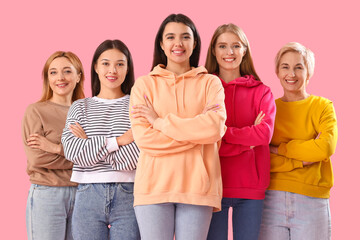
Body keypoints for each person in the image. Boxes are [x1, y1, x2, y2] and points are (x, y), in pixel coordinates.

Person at [130, 13, 227, 240]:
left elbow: (214, 128)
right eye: (171, 37)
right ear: (162, 44)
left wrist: (160, 122)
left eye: (185, 37)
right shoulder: (144, 84)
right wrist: (196, 134)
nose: (178, 43)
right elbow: (144, 139)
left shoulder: (210, 82)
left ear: (195, 43)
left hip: (198, 188)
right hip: (153, 188)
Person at [61, 39, 140, 240]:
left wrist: (90, 144)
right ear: (95, 67)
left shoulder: (137, 105)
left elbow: (138, 156)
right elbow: (72, 152)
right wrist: (120, 141)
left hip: (130, 194)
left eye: (120, 64)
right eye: (105, 63)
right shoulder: (80, 107)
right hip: (87, 195)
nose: (112, 70)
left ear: (127, 68)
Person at [258, 42, 338, 240]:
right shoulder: (268, 108)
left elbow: (324, 148)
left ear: (309, 72)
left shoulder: (323, 106)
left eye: (298, 67)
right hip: (271, 199)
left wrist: (280, 149)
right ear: (277, 71)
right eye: (285, 67)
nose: (291, 74)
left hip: (312, 200)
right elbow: (260, 157)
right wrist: (300, 160)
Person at [205, 23, 276, 240]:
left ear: (244, 50)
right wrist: (247, 142)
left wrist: (222, 133)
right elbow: (203, 138)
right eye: (223, 46)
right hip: (212, 186)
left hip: (251, 189)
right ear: (214, 51)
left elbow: (264, 135)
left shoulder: (262, 91)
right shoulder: (203, 89)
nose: (229, 52)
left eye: (236, 46)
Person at [22, 51, 85, 240]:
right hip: (47, 194)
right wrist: (78, 153)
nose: (60, 78)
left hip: (83, 194)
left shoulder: (85, 112)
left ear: (78, 76)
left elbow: (96, 157)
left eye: (67, 71)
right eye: (53, 72)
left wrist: (55, 147)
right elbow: (37, 158)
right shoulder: (36, 111)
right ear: (47, 77)